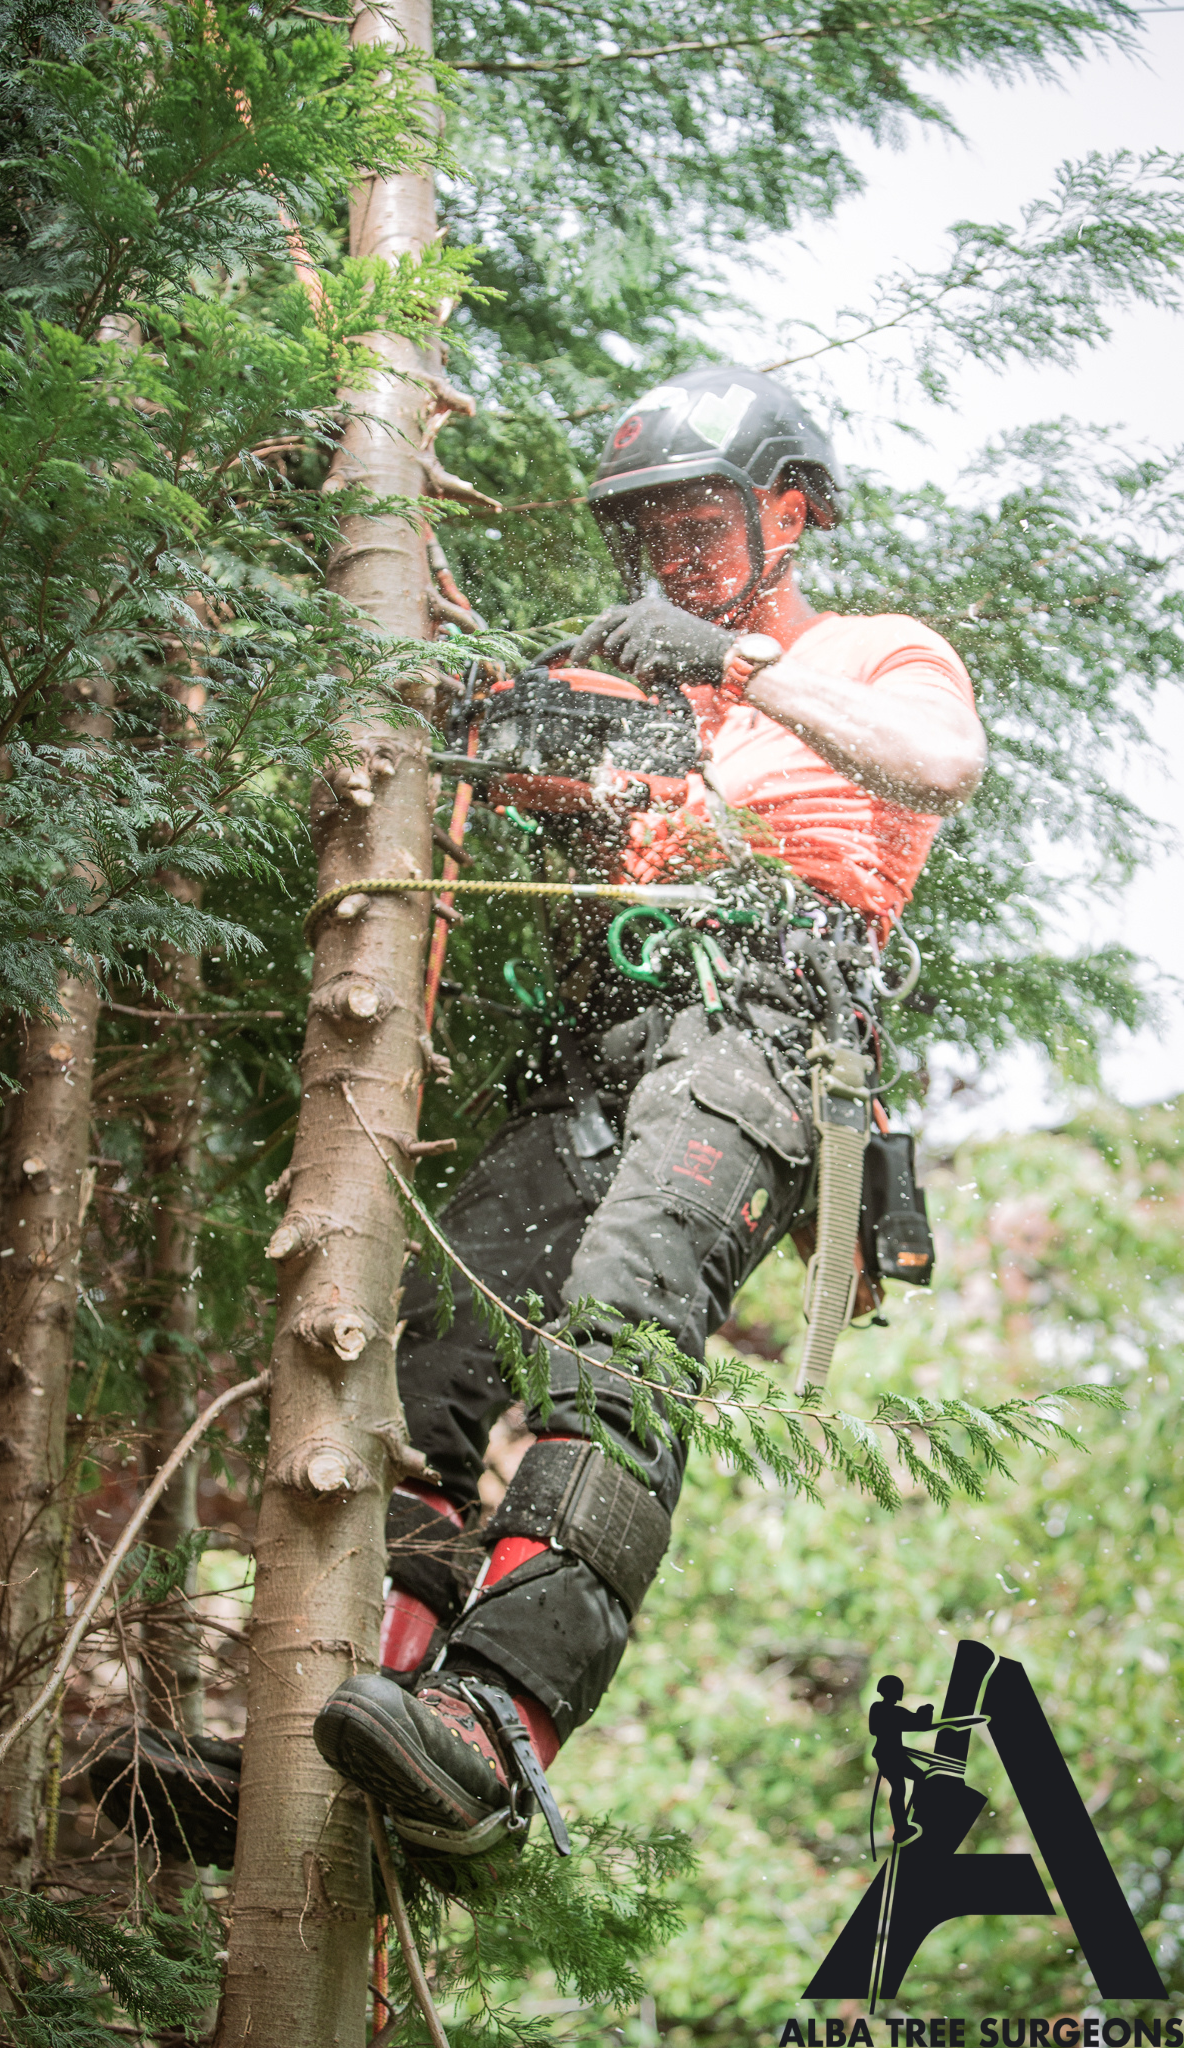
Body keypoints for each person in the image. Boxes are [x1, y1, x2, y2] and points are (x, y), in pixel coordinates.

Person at [313, 362, 987, 1861]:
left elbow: (942, 766)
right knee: (442, 1329)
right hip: (608, 1035)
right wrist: (533, 734)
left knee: (624, 1317)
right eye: (652, 536)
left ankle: (500, 1723)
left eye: (703, 526)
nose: (675, 560)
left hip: (771, 1026)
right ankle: (356, 1699)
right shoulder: (660, 700)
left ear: (786, 514)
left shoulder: (873, 654)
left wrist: (733, 665)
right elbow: (582, 780)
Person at [869, 1674, 935, 1848]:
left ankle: (908, 1820)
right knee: (902, 1786)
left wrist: (923, 1713)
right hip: (889, 1755)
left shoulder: (881, 1709)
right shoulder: (889, 1710)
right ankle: (904, 1825)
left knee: (911, 1781)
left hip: (890, 1755)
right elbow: (919, 1724)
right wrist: (926, 1712)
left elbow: (918, 1724)